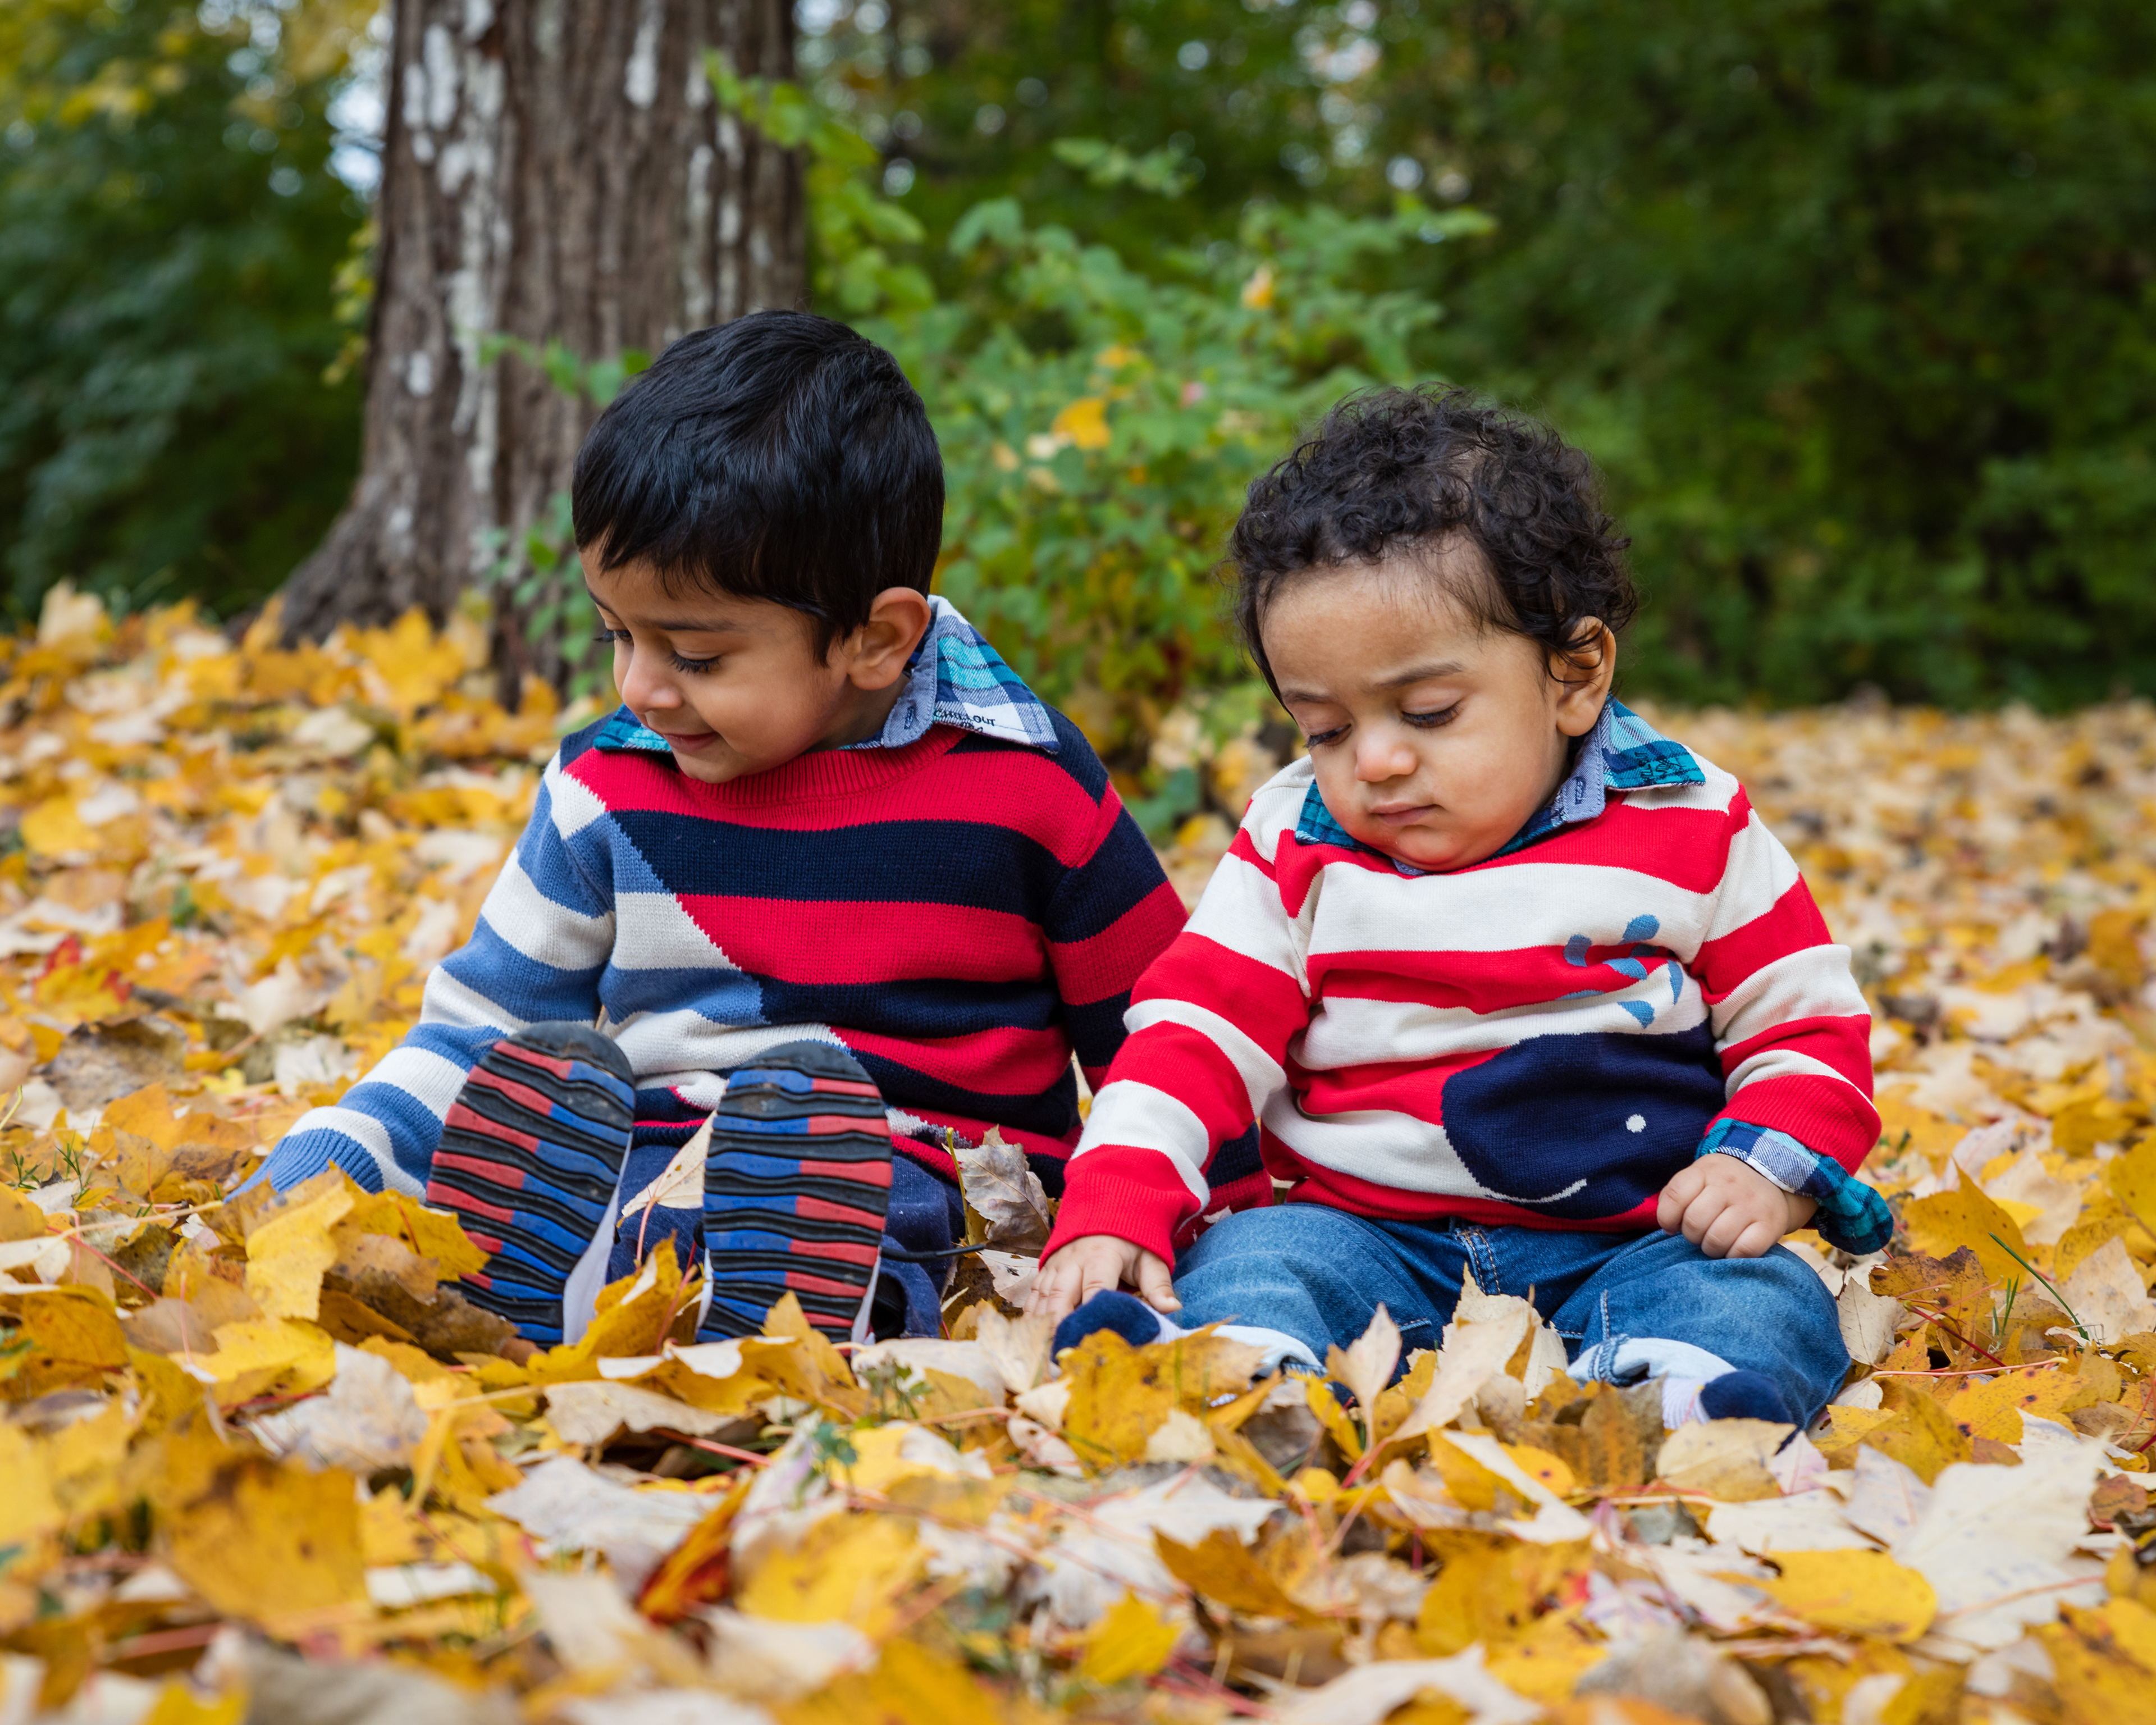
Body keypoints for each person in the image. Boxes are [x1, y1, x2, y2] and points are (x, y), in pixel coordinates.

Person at [252, 310, 1187, 1348]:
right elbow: (481, 1032)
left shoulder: (1024, 785)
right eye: (617, 634)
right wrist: (332, 1161)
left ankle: (798, 1312)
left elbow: (1165, 1036)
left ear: (875, 640)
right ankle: (569, 1293)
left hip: (924, 1171)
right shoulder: (607, 789)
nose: (640, 688)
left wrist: (1195, 1224)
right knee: (608, 1181)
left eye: (695, 657)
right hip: (658, 1149)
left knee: (887, 1211)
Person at [1027, 386, 1889, 1430]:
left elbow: (1804, 1026)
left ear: (1575, 675)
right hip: (1364, 1237)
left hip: (1636, 1238)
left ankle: (1678, 1395)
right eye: (1326, 729)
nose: (1377, 761)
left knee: (1764, 1297)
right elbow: (1194, 1035)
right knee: (1253, 1258)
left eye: (1428, 712)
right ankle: (1244, 1382)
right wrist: (1119, 1194)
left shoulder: (1692, 822)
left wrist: (1762, 1168)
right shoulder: (1297, 843)